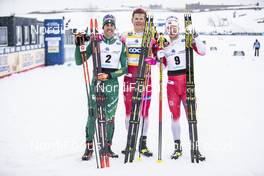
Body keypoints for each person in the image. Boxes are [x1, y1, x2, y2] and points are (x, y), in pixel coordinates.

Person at [75, 14, 127, 160]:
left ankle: (107, 146)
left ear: (115, 27)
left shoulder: (120, 44)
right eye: (106, 25)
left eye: (112, 25)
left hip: (112, 83)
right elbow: (80, 61)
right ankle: (89, 147)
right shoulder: (95, 43)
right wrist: (78, 44)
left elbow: (125, 68)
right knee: (93, 115)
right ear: (103, 27)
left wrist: (110, 76)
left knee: (110, 117)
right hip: (96, 81)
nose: (109, 27)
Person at [157, 16, 206, 161]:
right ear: (166, 30)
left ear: (178, 28)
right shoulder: (164, 46)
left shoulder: (186, 41)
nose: (172, 31)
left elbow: (203, 51)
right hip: (172, 85)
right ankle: (177, 147)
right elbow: (160, 65)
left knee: (191, 114)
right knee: (175, 116)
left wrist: (195, 34)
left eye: (174, 28)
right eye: (169, 28)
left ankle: (194, 146)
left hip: (186, 83)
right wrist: (157, 57)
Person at [121, 8, 155, 157]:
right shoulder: (124, 36)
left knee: (144, 111)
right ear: (132, 20)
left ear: (145, 20)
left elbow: (158, 59)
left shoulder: (151, 37)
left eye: (142, 18)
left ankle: (143, 142)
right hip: (129, 76)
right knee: (128, 110)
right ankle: (130, 141)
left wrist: (151, 60)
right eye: (137, 18)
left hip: (145, 76)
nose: (139, 20)